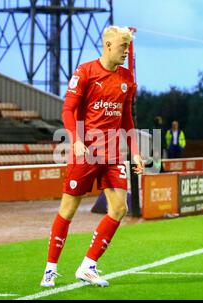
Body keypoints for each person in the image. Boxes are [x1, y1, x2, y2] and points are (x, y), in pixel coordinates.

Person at [40, 26, 144, 288]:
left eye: (128, 47)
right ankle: (50, 270)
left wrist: (136, 152)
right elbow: (68, 110)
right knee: (68, 209)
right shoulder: (85, 72)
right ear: (108, 45)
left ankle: (88, 265)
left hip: (112, 153)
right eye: (123, 47)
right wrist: (74, 140)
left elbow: (127, 119)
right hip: (85, 151)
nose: (125, 52)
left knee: (120, 208)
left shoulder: (127, 79)